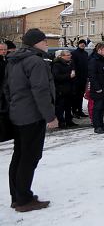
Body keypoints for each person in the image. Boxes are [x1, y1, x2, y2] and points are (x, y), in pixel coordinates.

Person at [5, 28, 57, 212]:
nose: (46, 43)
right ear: (35, 42)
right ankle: (25, 200)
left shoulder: (14, 60)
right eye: (43, 41)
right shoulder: (36, 61)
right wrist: (50, 116)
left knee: (19, 155)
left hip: (18, 114)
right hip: (32, 116)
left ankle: (17, 196)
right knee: (30, 157)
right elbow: (41, 91)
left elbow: (7, 88)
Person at [88, 42, 104, 134]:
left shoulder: (103, 59)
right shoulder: (93, 60)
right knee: (97, 107)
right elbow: (92, 75)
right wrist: (97, 87)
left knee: (102, 107)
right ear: (99, 50)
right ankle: (97, 126)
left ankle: (101, 125)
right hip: (97, 88)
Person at [51, 50, 77, 128]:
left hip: (69, 88)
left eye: (70, 55)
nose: (70, 56)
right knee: (60, 107)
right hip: (61, 89)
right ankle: (61, 122)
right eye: (67, 55)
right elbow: (56, 77)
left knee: (68, 106)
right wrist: (69, 76)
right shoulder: (56, 65)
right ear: (62, 56)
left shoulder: (70, 63)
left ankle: (69, 121)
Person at [70, 39, 89, 118]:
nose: (82, 45)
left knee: (81, 95)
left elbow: (86, 65)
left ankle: (80, 110)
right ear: (78, 44)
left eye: (84, 44)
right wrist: (73, 72)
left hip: (83, 77)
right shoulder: (74, 53)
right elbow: (72, 64)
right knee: (75, 95)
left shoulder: (85, 53)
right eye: (81, 44)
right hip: (76, 78)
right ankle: (74, 111)